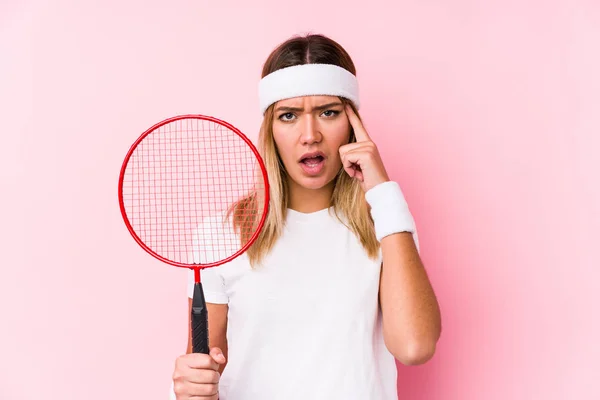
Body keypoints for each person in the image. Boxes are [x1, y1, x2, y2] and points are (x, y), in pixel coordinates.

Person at [170, 33, 442, 400]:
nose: (310, 135)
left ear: (353, 125)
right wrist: (190, 389)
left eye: (328, 112)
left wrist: (382, 191)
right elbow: (203, 378)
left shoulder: (387, 224)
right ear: (270, 130)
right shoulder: (221, 235)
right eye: (289, 116)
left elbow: (415, 347)